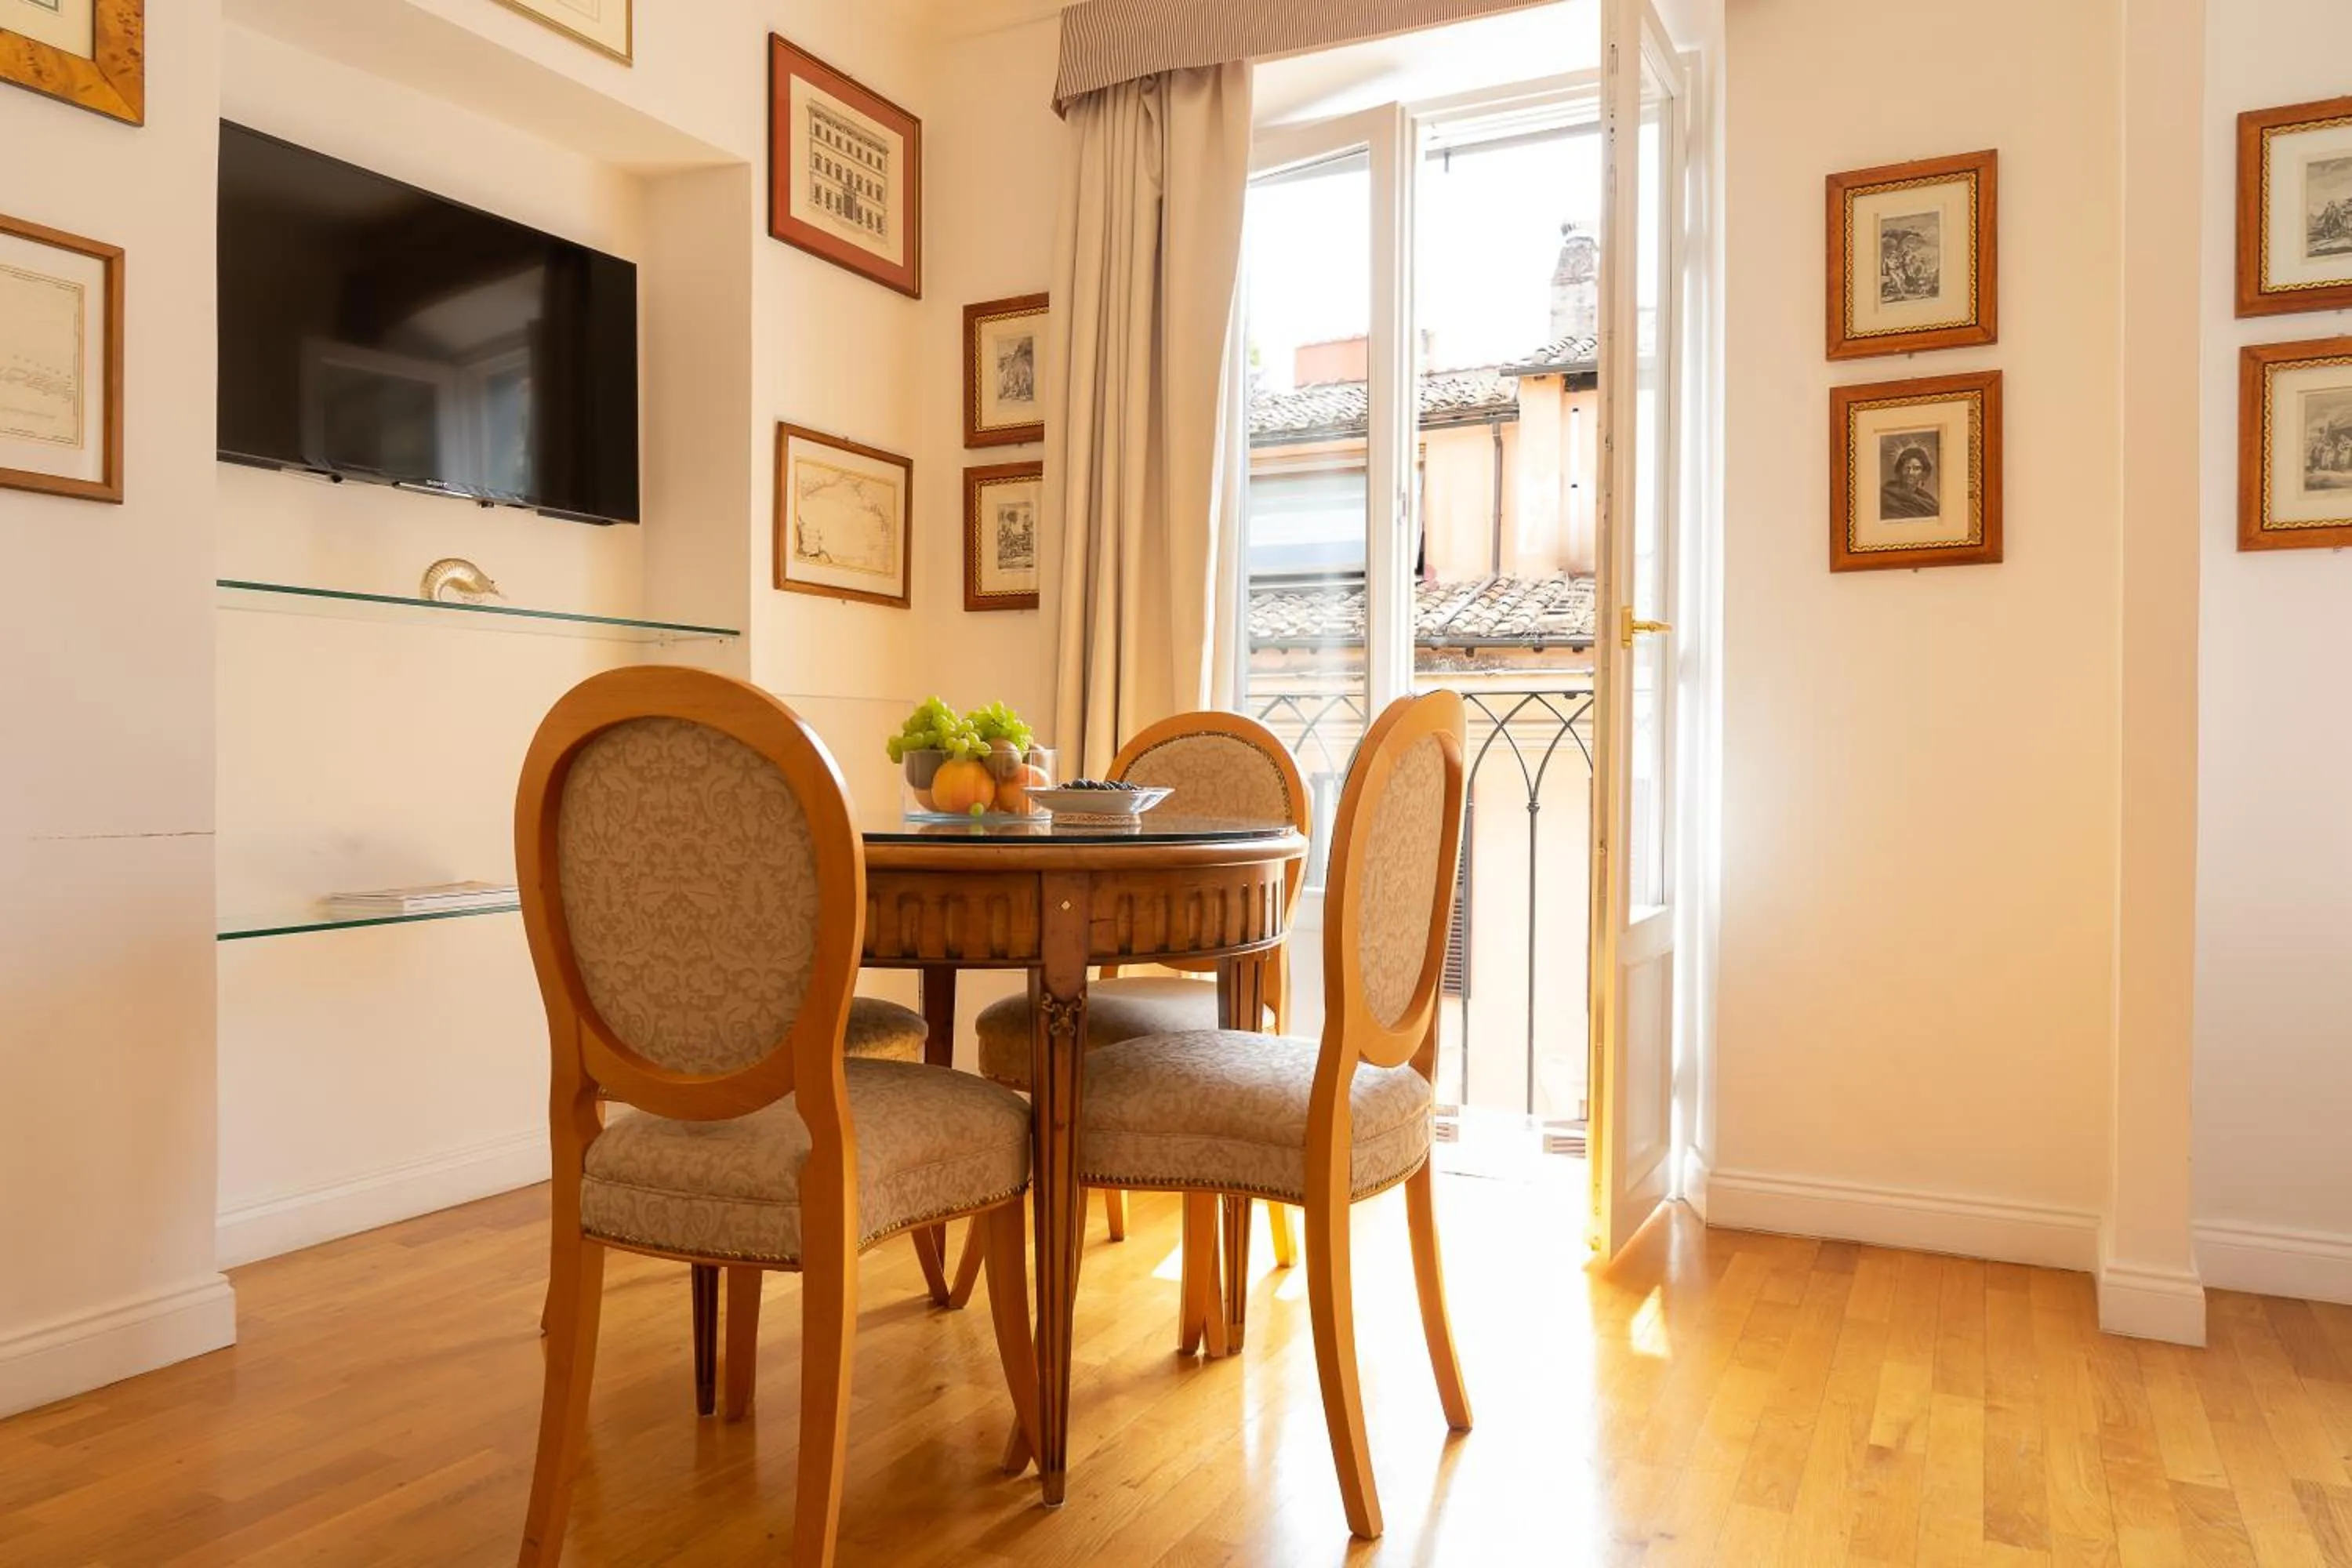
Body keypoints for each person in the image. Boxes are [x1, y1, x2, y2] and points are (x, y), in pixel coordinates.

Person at [1880, 445, 1939, 518]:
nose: (1911, 472)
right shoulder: (1886, 496)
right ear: (1900, 470)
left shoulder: (1930, 502)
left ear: (1924, 473)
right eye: (1907, 468)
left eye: (1916, 468)